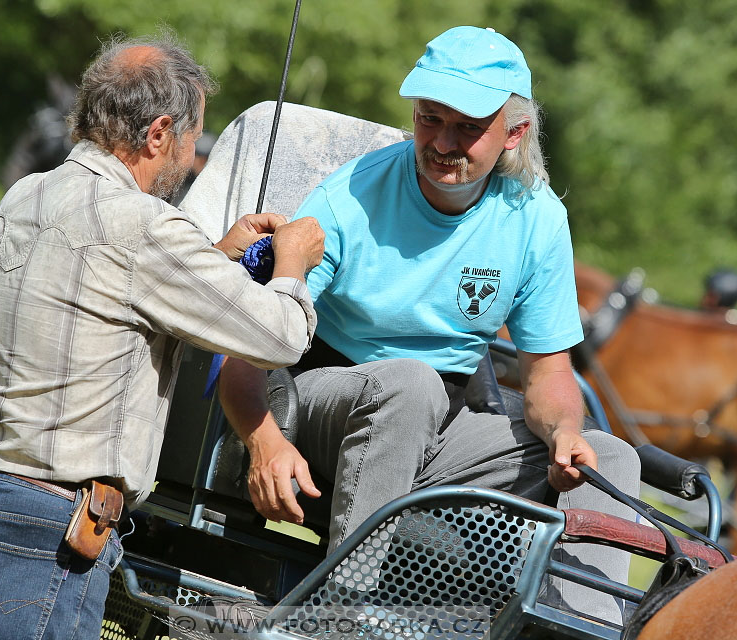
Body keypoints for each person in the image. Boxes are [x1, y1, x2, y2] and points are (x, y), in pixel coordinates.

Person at [219, 26, 640, 624]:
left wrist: (566, 432)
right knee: (411, 385)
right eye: (429, 119)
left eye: (468, 128)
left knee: (612, 460)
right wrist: (265, 444)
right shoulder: (348, 199)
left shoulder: (538, 218)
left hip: (441, 423)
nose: (443, 142)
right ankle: (339, 616)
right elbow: (246, 352)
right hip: (322, 401)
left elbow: (548, 375)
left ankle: (575, 630)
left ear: (514, 134)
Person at [0, 32, 324, 639]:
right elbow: (281, 338)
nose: (189, 156)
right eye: (190, 138)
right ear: (158, 134)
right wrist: (292, 262)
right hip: (44, 533)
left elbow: (102, 299)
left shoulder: (28, 194)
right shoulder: (146, 227)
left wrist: (213, 258)